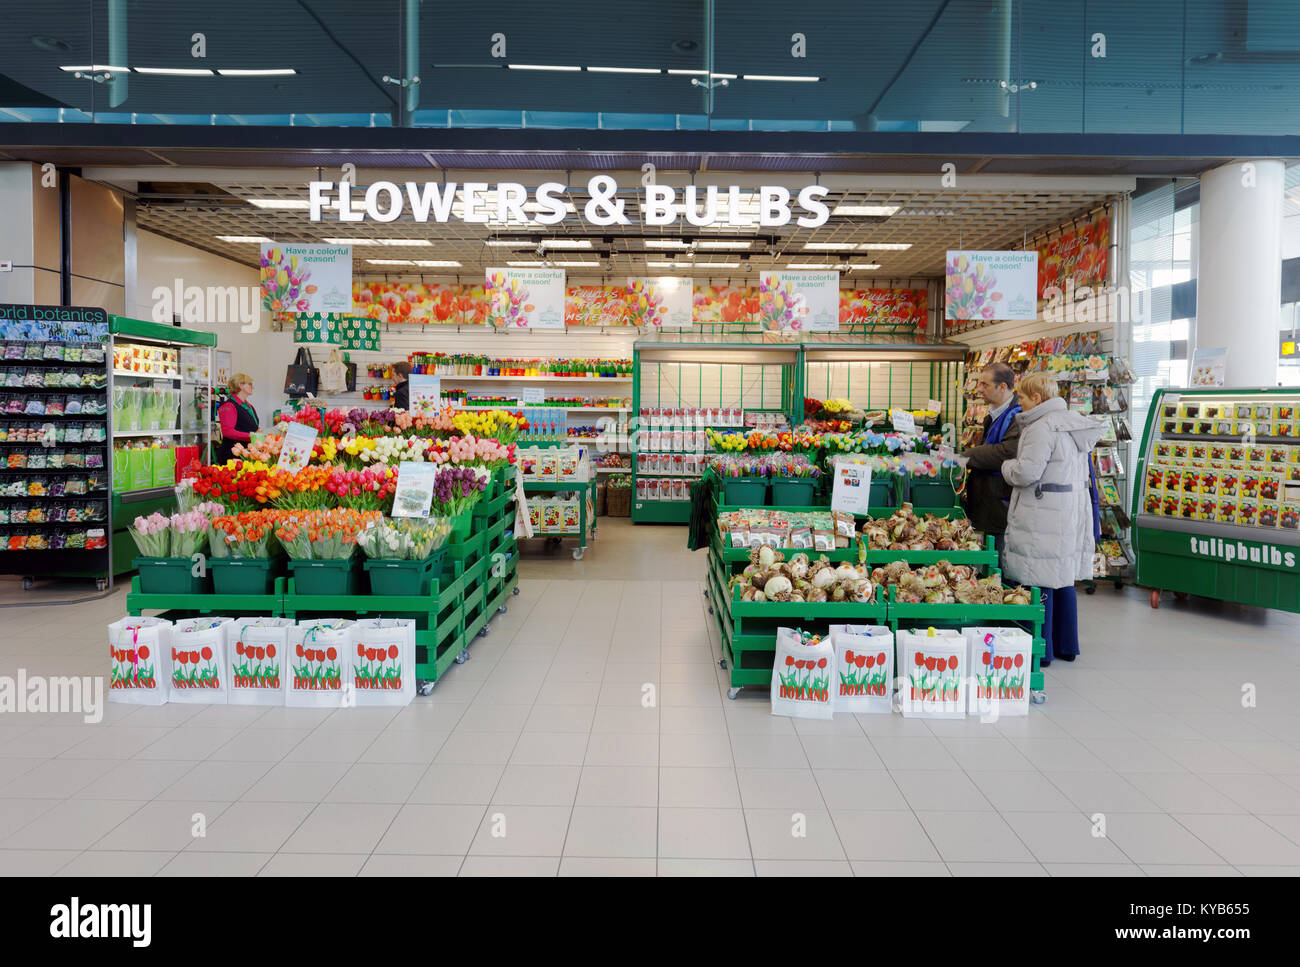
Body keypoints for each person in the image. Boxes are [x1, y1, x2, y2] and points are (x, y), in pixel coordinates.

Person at [999, 373, 1102, 665]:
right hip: (1069, 510)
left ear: (1037, 399)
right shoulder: (1072, 423)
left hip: (1042, 513)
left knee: (1039, 577)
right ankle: (1067, 646)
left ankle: (1041, 649)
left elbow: (1026, 473)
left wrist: (1007, 467)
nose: (1018, 404)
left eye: (1021, 398)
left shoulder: (1040, 428)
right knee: (1063, 578)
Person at [959, 362, 1022, 555]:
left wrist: (967, 456)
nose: (979, 389)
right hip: (987, 503)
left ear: (1002, 386)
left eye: (984, 385)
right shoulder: (995, 415)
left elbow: (1006, 452)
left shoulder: (1017, 416)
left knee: (999, 560)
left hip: (1000, 505)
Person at [214, 373, 258, 465]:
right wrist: (251, 435)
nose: (252, 387)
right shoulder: (229, 406)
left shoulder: (249, 406)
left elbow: (249, 426)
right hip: (231, 456)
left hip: (245, 454)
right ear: (240, 385)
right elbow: (228, 432)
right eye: (249, 384)